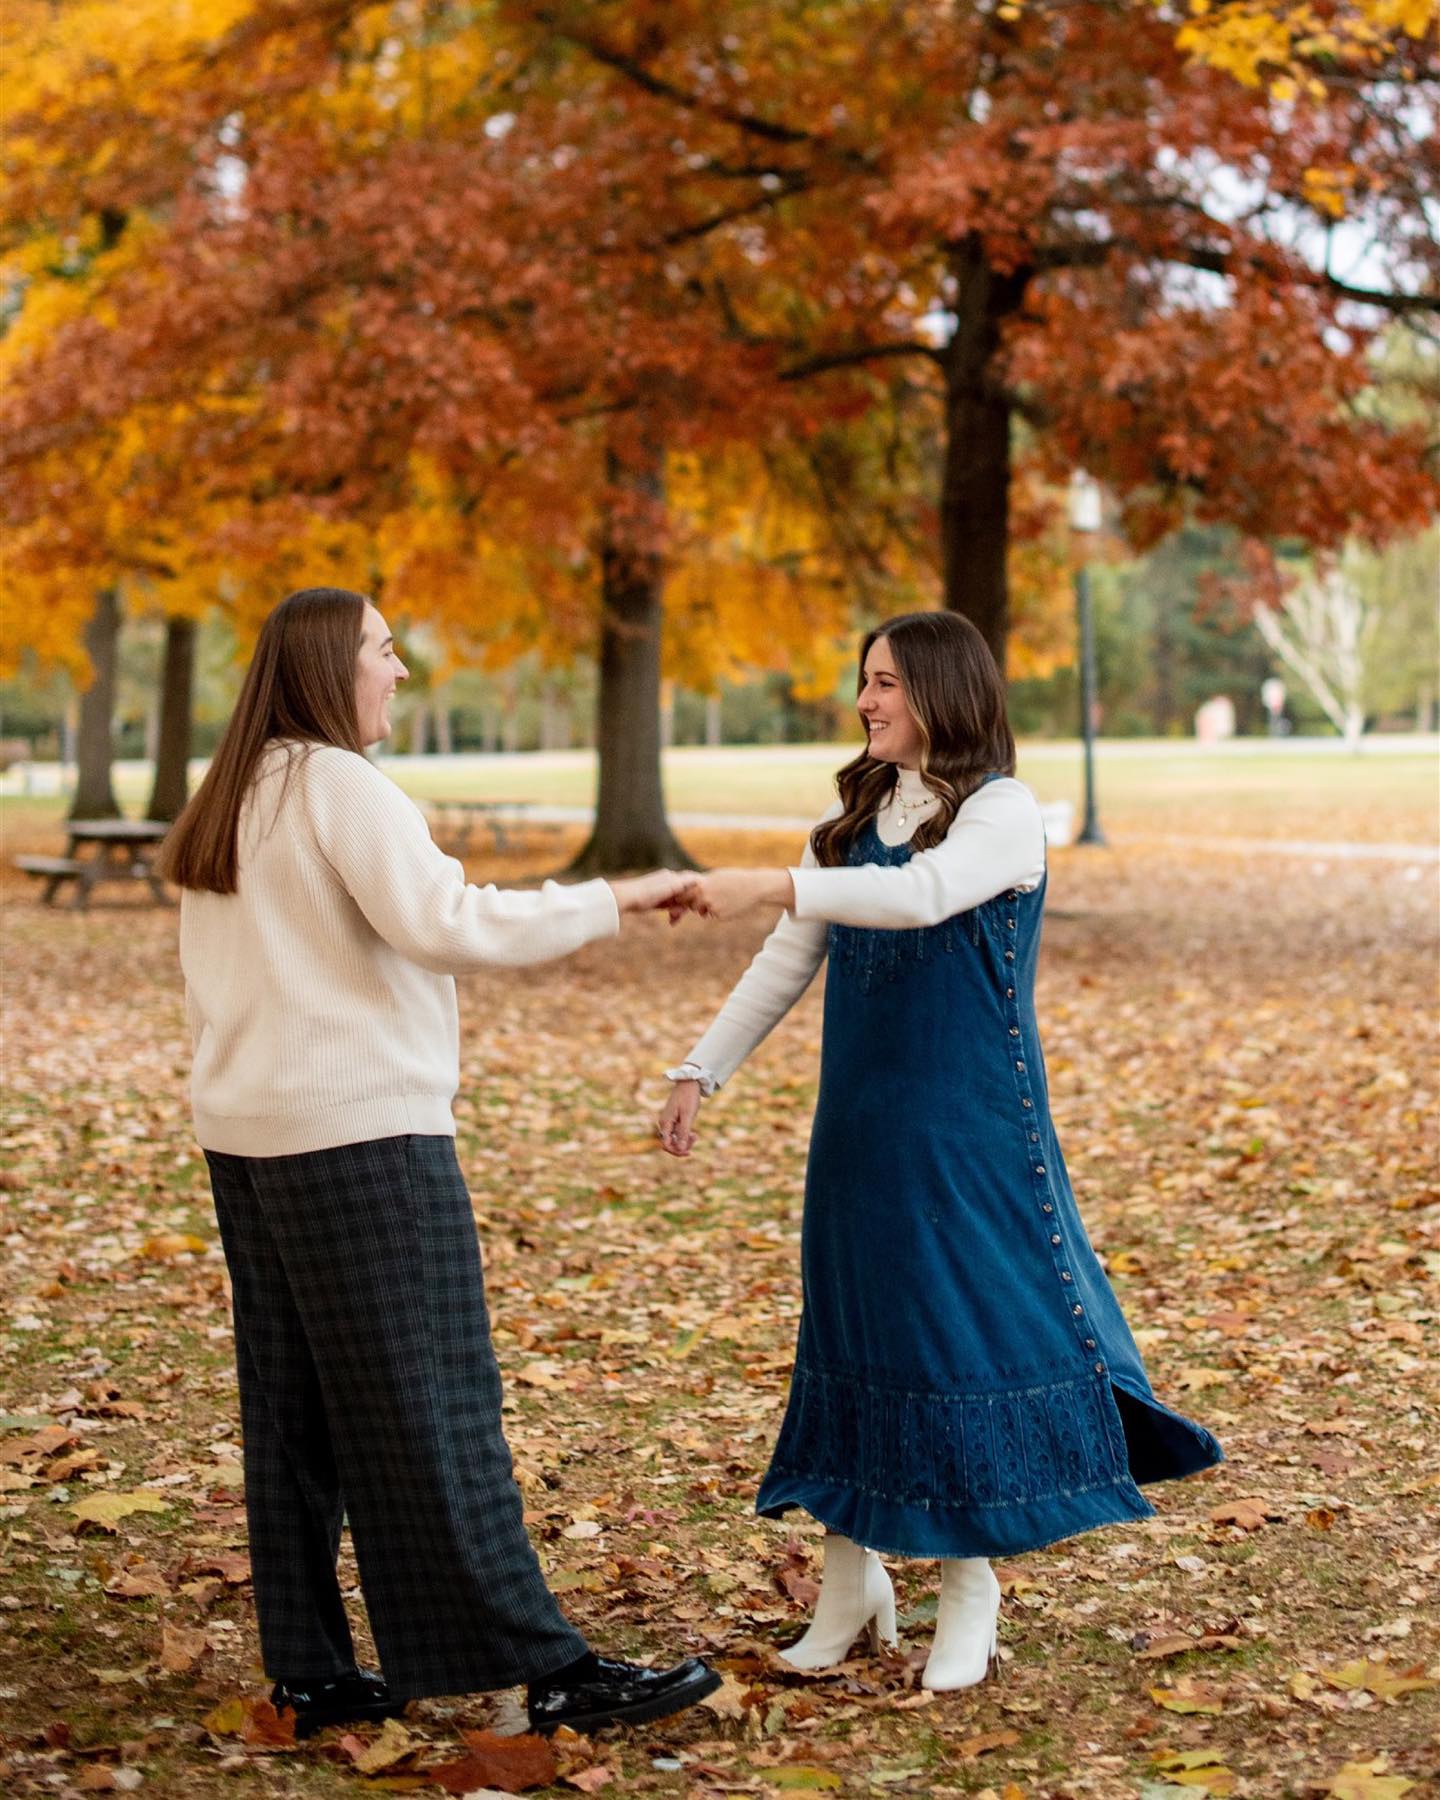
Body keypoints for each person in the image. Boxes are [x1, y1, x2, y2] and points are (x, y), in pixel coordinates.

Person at [160, 586, 720, 1737]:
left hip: (252, 1139)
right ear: (330, 667)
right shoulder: (336, 784)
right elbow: (451, 924)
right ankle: (539, 1665)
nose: (400, 669)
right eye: (382, 649)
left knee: (298, 1412)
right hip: (360, 1137)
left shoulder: (235, 790)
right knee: (436, 1401)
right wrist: (616, 898)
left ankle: (312, 1673)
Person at [658, 611, 1222, 1692]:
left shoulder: (1005, 814)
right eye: (864, 682)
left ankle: (970, 1584)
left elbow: (919, 899)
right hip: (859, 1129)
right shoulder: (865, 808)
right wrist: (700, 1068)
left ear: (943, 694)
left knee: (947, 1335)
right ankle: (849, 1578)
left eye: (887, 685)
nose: (867, 702)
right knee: (853, 1330)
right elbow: (795, 952)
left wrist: (772, 879)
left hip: (968, 1130)